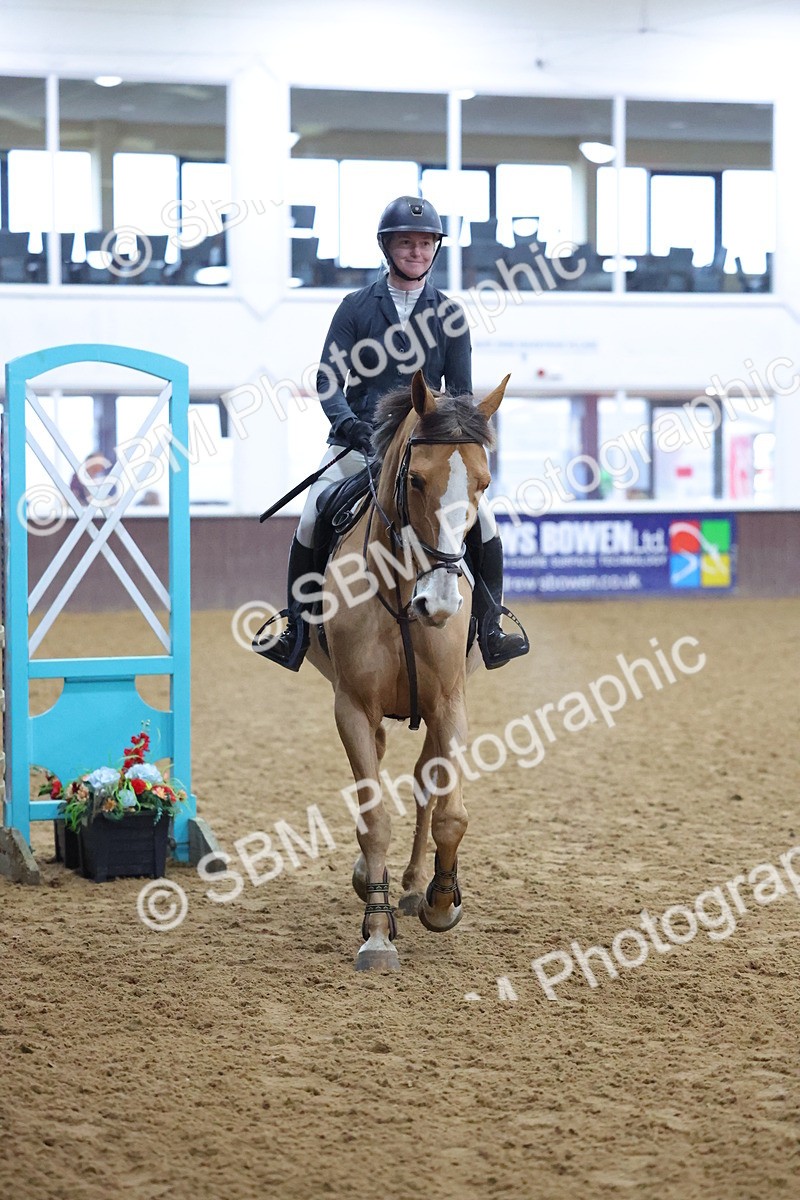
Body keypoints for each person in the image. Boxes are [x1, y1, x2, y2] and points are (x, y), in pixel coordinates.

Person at [259, 195, 528, 672]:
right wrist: (350, 427)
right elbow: (327, 379)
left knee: (485, 525)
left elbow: (462, 394)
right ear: (388, 247)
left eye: (425, 245)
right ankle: (296, 631)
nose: (417, 252)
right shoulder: (356, 307)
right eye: (407, 243)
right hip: (358, 442)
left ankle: (490, 627)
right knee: (310, 515)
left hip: (427, 448)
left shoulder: (451, 314)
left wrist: (446, 437)